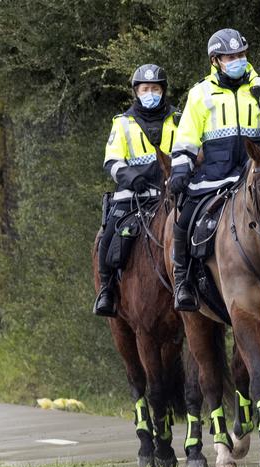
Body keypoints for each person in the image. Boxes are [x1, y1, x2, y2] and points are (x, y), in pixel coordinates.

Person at [167, 28, 260, 311]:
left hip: (255, 175)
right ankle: (183, 281)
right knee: (184, 221)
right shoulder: (200, 93)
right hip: (214, 177)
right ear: (216, 61)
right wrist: (180, 170)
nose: (237, 60)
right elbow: (186, 137)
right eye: (230, 56)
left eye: (241, 54)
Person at [94, 64, 181, 316]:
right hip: (132, 196)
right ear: (136, 91)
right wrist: (132, 177)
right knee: (109, 236)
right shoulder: (122, 123)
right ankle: (107, 290)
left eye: (155, 88)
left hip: (171, 194)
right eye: (145, 89)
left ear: (163, 91)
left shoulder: (178, 119)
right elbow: (111, 161)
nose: (150, 93)